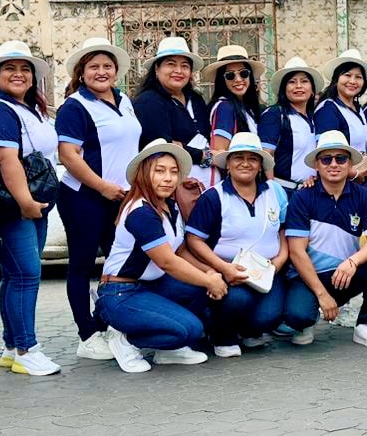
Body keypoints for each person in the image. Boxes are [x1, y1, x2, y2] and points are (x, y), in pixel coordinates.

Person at [95, 140, 229, 374]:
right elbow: (167, 261)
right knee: (190, 330)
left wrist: (208, 272)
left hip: (152, 285)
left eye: (174, 172)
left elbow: (180, 250)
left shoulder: (169, 206)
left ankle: (167, 349)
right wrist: (210, 280)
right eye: (159, 171)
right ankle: (126, 340)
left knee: (197, 290)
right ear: (143, 174)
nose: (168, 178)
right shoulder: (141, 212)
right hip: (120, 292)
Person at [54, 38, 140, 357]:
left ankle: (109, 324)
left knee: (119, 264)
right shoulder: (74, 106)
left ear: (116, 71)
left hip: (120, 198)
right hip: (84, 199)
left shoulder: (124, 100)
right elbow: (68, 155)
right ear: (81, 72)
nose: (101, 72)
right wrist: (102, 187)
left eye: (107, 66)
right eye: (93, 67)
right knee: (82, 265)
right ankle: (87, 336)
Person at [0, 41, 61, 377]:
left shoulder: (29, 108)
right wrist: (26, 202)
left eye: (25, 69)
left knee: (16, 275)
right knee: (27, 275)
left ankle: (12, 346)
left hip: (33, 204)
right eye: (10, 68)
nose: (18, 74)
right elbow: (6, 159)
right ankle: (28, 349)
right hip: (14, 207)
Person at [280, 129, 367, 348]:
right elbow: (296, 252)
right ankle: (309, 318)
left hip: (344, 273)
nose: (334, 164)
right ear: (317, 165)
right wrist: (322, 295)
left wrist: (352, 262)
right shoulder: (302, 197)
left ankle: (365, 325)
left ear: (350, 163)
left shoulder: (364, 195)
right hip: (308, 277)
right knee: (298, 316)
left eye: (341, 158)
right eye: (326, 159)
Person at [185, 132, 290, 357]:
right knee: (238, 300)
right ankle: (222, 335)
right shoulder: (214, 197)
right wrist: (223, 268)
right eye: (238, 158)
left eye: (252, 158)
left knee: (270, 316)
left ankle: (248, 331)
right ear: (228, 164)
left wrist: (280, 260)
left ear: (260, 165)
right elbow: (194, 240)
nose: (245, 163)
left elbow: (282, 230)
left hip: (267, 271)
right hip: (228, 271)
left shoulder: (275, 191)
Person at [132, 36, 212, 188]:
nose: (178, 71)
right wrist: (204, 155)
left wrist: (181, 146)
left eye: (185, 66)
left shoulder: (196, 99)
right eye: (171, 64)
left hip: (208, 185)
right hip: (172, 186)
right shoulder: (149, 101)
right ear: (157, 69)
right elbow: (162, 146)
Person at [314, 49, 367, 180]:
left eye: (358, 77)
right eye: (347, 75)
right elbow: (327, 152)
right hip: (339, 181)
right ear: (336, 79)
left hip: (360, 179)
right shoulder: (328, 109)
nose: (353, 81)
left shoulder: (358, 108)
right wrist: (354, 174)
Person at [260, 57, 323, 187]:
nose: (298, 86)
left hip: (312, 189)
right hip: (284, 189)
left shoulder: (316, 117)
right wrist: (273, 190)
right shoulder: (275, 114)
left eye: (304, 81)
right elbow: (266, 155)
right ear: (284, 89)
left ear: (312, 90)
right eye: (292, 82)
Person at [203, 45, 265, 153]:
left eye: (243, 73)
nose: (238, 79)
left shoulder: (249, 108)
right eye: (230, 75)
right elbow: (219, 152)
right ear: (221, 80)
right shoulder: (224, 108)